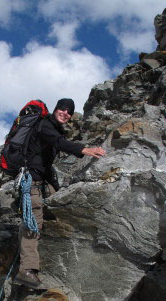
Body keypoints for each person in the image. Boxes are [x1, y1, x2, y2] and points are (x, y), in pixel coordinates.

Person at [14, 98, 106, 289]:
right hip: (30, 181)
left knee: (57, 206)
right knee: (33, 221)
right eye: (62, 109)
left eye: (69, 111)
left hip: (41, 180)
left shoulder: (53, 129)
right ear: (55, 110)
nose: (65, 113)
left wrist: (56, 189)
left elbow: (46, 163)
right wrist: (84, 150)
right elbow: (59, 142)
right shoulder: (44, 125)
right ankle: (26, 270)